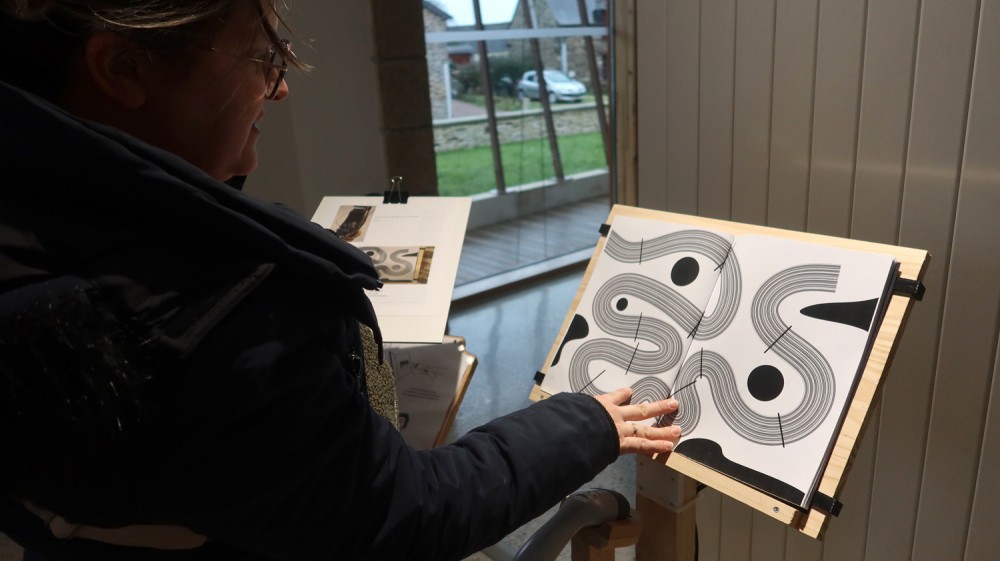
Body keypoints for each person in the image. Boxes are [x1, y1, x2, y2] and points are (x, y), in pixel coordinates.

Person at [0, 1, 682, 560]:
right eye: (263, 58)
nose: (281, 87)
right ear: (123, 68)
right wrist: (584, 422)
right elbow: (407, 514)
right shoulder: (223, 324)